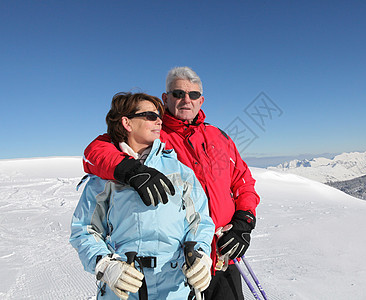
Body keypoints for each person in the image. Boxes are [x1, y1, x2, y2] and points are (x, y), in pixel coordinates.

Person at [83, 67, 261, 300]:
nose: (186, 100)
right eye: (178, 94)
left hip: (221, 256)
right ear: (166, 98)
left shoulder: (219, 137)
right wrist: (128, 169)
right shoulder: (153, 135)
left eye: (194, 95)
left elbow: (243, 182)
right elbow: (95, 152)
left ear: (202, 100)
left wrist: (244, 221)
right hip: (179, 268)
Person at [70, 92, 215, 299]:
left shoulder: (179, 171)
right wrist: (105, 265)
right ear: (127, 122)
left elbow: (199, 221)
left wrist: (200, 254)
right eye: (150, 115)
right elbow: (84, 230)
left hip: (175, 287)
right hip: (124, 287)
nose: (159, 121)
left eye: (159, 116)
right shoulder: (105, 177)